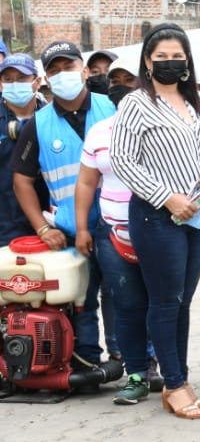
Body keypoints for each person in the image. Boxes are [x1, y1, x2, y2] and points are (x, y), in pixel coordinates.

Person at [111, 24, 200, 419]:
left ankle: (182, 379)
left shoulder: (197, 101)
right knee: (165, 301)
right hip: (156, 217)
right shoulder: (135, 104)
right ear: (147, 61)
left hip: (198, 217)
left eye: (177, 57)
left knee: (183, 302)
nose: (170, 63)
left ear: (187, 60)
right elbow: (123, 160)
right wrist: (167, 197)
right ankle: (173, 385)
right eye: (161, 57)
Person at [12, 40, 117, 369]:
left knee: (125, 296)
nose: (62, 75)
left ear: (83, 71)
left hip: (118, 224)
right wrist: (43, 228)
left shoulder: (114, 108)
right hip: (72, 231)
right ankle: (88, 364)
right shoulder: (38, 124)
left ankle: (133, 362)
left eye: (68, 67)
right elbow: (21, 181)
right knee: (80, 300)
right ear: (46, 80)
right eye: (54, 71)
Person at [75, 57, 157, 405]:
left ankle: (167, 371)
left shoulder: (163, 125)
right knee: (126, 303)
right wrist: (82, 227)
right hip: (112, 230)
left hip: (158, 229)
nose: (120, 86)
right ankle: (136, 373)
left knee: (162, 302)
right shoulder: (100, 131)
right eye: (114, 80)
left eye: (128, 79)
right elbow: (86, 182)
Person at [0, 53, 46, 246]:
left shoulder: (51, 118)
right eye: (8, 79)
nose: (15, 84)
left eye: (22, 78)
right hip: (4, 224)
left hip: (48, 222)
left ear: (37, 82)